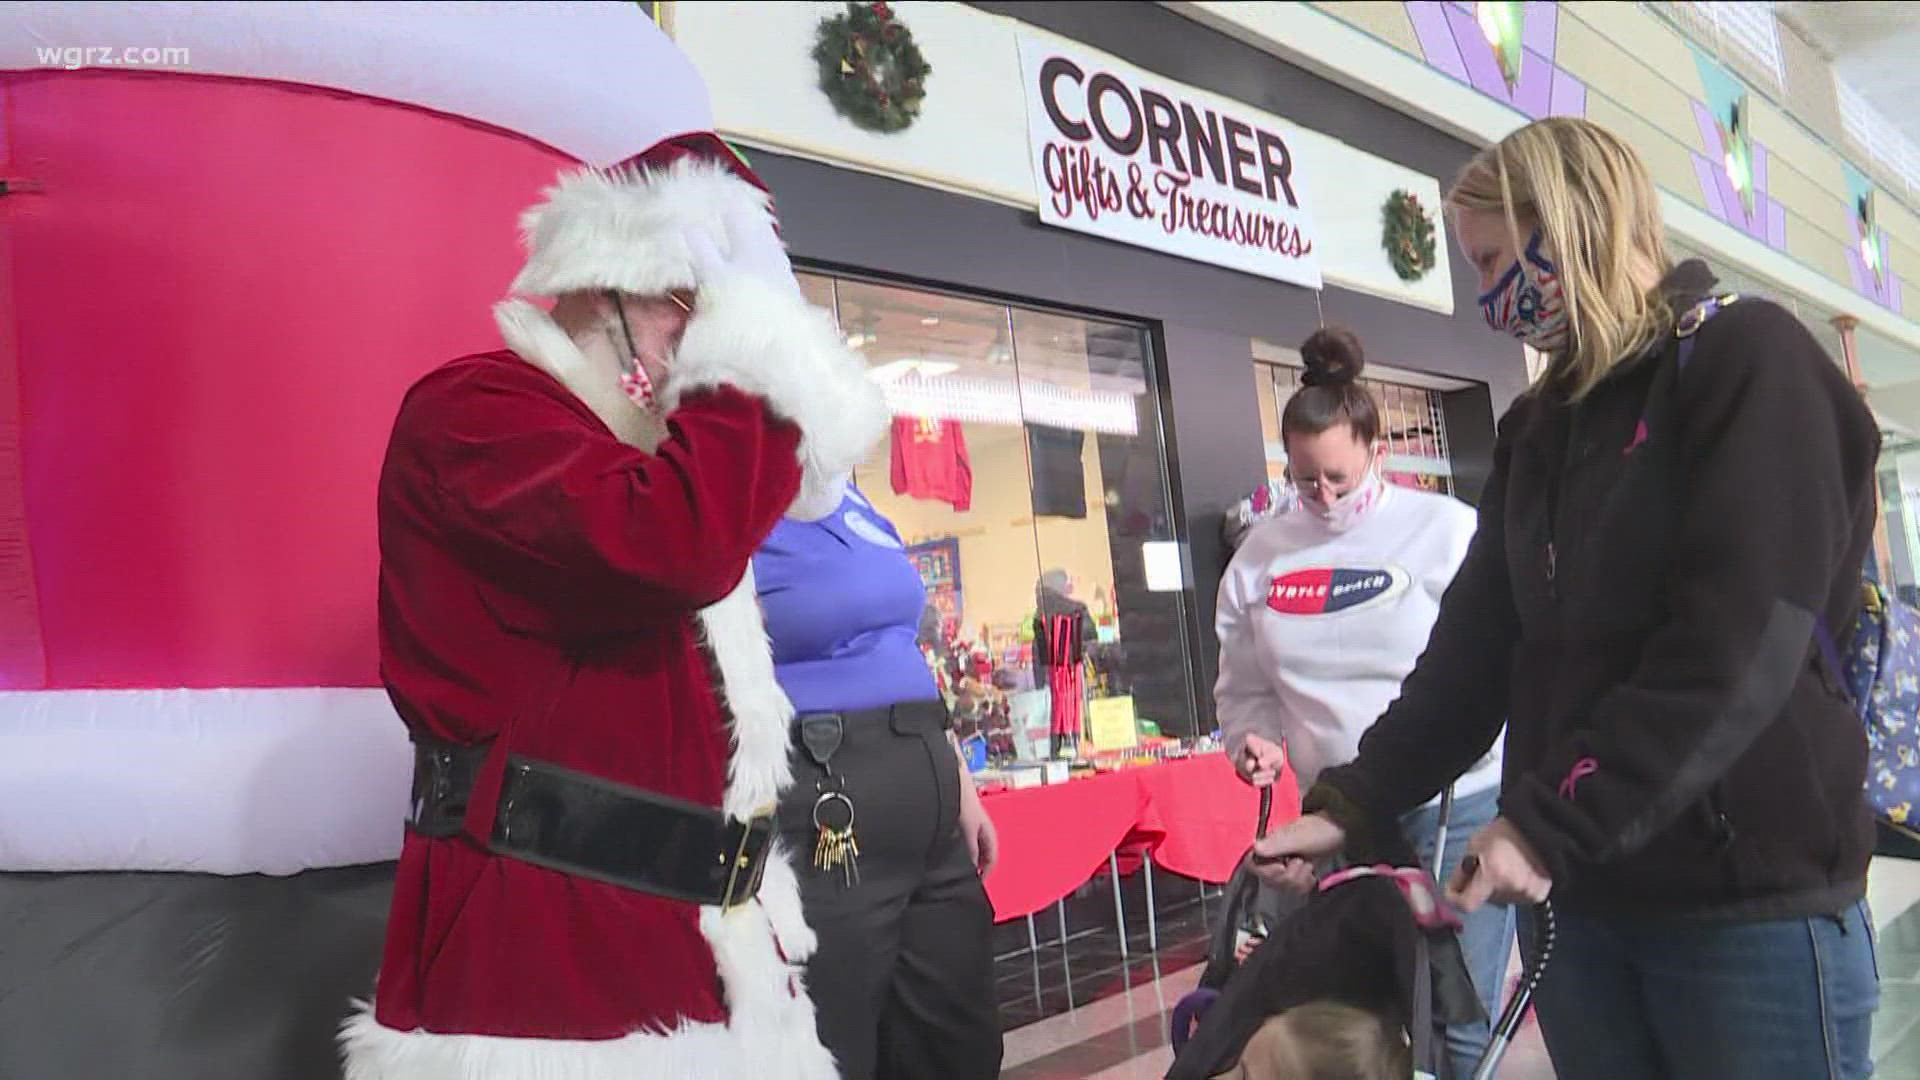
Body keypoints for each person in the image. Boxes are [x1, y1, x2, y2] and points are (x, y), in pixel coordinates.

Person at [1252, 116, 1883, 1080]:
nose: (1491, 297)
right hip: (1586, 909)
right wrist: (1353, 800)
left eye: (1499, 257)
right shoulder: (1540, 425)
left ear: (1577, 223)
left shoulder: (1746, 360)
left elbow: (1738, 646)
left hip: (1746, 904)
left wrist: (1550, 822)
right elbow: (1475, 652)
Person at [340, 132, 889, 1078]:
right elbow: (676, 546)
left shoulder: (629, 455)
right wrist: (751, 359)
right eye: (694, 310)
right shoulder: (476, 413)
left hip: (705, 961)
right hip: (549, 973)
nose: (701, 347)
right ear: (611, 281)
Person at [1213, 326, 1511, 1079]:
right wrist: (1252, 739)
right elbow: (1244, 686)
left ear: (1379, 451)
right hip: (1334, 812)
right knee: (1352, 1009)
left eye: (1340, 477)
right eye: (1307, 479)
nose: (1325, 496)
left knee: (1456, 1007)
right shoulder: (1259, 559)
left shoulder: (1444, 531)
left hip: (1455, 800)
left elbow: (1492, 660)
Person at [754, 480, 1004, 1080]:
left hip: (925, 796)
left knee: (960, 1040)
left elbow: (903, 643)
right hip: (823, 792)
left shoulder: (847, 493)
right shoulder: (732, 488)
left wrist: (957, 779)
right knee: (833, 1039)